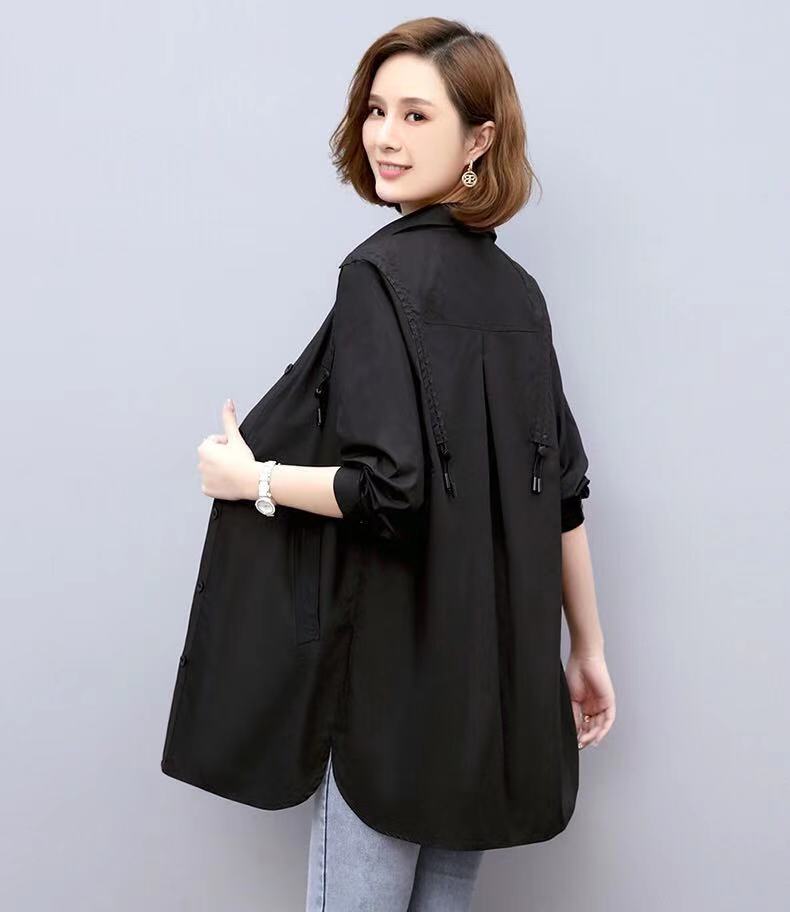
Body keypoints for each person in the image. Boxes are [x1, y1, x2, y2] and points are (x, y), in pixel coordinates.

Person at [191, 17, 615, 912]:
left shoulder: (376, 276)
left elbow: (390, 491)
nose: (385, 136)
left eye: (417, 116)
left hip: (389, 689)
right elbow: (564, 496)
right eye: (377, 110)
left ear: (479, 140)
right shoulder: (521, 297)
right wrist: (587, 649)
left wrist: (250, 480)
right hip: (491, 692)